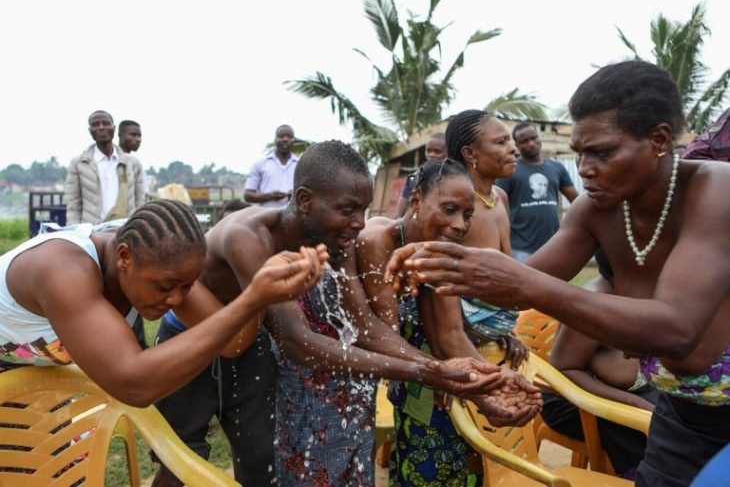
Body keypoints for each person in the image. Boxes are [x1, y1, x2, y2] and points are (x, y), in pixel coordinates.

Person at [385, 61, 730, 487]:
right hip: (680, 417)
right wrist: (432, 258)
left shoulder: (715, 190)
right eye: (580, 152)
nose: (583, 168)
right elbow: (512, 291)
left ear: (659, 140)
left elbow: (677, 329)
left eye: (601, 152)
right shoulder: (597, 210)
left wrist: (521, 283)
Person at [169, 140, 530, 486]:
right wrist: (428, 372)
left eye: (364, 210)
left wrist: (450, 374)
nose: (358, 223)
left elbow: (365, 326)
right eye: (347, 209)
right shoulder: (250, 238)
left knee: (261, 464)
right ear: (305, 200)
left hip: (247, 343)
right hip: (193, 337)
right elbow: (298, 342)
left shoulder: (334, 240)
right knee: (179, 460)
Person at [0, 199, 328, 407]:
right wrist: (254, 298)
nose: (175, 300)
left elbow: (235, 341)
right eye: (166, 286)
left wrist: (261, 292)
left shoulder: (157, 255)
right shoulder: (62, 270)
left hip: (36, 379)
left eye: (187, 286)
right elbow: (135, 386)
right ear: (124, 257)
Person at [357, 159, 542, 486]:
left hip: (424, 372)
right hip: (375, 367)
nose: (460, 225)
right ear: (416, 200)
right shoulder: (378, 241)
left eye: (467, 215)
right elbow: (385, 337)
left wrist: (490, 384)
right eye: (450, 209)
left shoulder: (435, 251)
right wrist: (450, 377)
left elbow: (450, 334)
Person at [150, 196, 276, 487]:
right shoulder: (198, 265)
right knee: (177, 458)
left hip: (247, 349)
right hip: (187, 342)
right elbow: (235, 342)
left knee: (259, 453)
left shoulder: (258, 257)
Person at [543, 275, 659, 479]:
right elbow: (561, 372)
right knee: (656, 429)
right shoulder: (593, 301)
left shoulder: (651, 291)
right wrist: (634, 403)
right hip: (574, 400)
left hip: (639, 393)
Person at [445, 109, 528, 363]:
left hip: (494, 331)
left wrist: (506, 331)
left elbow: (507, 272)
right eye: (501, 142)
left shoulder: (500, 198)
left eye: (509, 141)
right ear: (470, 153)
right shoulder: (451, 206)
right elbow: (438, 283)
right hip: (457, 341)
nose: (513, 149)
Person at [496, 122, 578, 262]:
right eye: (524, 141)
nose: (531, 143)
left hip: (553, 246)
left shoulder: (556, 168)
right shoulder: (510, 170)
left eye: (534, 138)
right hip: (520, 249)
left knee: (554, 284)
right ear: (516, 145)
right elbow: (498, 207)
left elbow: (576, 201)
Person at [65, 110, 145, 225]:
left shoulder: (132, 163)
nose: (101, 127)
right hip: (91, 231)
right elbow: (73, 204)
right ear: (90, 131)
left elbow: (139, 202)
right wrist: (75, 232)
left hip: (124, 229)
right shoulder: (79, 163)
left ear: (114, 128)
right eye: (95, 124)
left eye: (106, 123)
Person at [393, 132, 448, 218]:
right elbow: (399, 213)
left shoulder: (452, 179)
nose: (431, 155)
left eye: (437, 151)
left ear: (448, 154)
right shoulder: (414, 178)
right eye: (428, 151)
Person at [244, 124, 298, 207]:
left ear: (293, 140)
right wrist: (269, 196)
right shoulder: (260, 164)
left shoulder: (300, 164)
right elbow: (247, 195)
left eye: (289, 136)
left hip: (295, 218)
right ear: (275, 139)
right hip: (266, 217)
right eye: (281, 136)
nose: (285, 139)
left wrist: (296, 196)